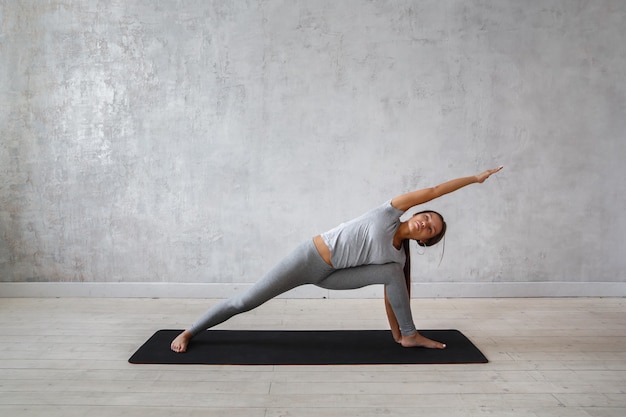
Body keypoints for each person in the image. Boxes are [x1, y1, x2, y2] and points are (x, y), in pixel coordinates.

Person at [171, 166, 503, 353]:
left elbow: (392, 296)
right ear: (418, 212)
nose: (425, 222)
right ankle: (190, 330)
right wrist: (474, 180)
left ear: (425, 240)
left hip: (331, 275)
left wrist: (397, 334)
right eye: (427, 217)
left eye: (430, 229)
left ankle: (409, 335)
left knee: (393, 275)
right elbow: (433, 190)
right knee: (245, 301)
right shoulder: (390, 211)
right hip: (308, 258)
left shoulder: (396, 259)